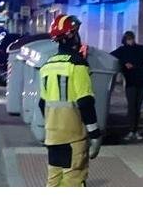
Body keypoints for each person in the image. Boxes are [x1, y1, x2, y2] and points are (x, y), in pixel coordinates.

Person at [38, 14, 103, 186]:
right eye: (76, 33)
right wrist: (95, 135)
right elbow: (85, 102)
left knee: (54, 182)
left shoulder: (46, 66)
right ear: (71, 36)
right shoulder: (77, 65)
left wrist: (53, 125)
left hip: (53, 137)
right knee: (73, 182)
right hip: (73, 138)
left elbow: (42, 103)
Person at [111, 30, 143, 141]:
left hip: (140, 80)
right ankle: (132, 130)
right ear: (125, 40)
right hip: (131, 81)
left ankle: (134, 130)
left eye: (131, 39)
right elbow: (111, 57)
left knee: (137, 107)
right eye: (128, 39)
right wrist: (123, 64)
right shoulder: (122, 50)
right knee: (132, 107)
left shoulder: (140, 49)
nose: (130, 41)